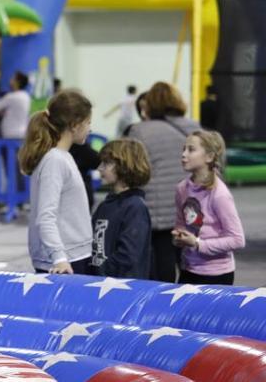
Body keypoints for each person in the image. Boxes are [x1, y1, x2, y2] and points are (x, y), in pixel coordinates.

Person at [127, 82, 200, 282]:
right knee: (192, 266)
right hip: (192, 210)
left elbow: (133, 171)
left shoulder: (140, 131)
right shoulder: (194, 127)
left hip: (158, 214)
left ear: (149, 104)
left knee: (162, 269)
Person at [19, 89, 93, 274]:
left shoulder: (62, 156)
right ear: (75, 125)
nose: (90, 128)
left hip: (72, 254)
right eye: (88, 122)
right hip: (65, 260)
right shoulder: (54, 161)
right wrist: (59, 258)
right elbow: (45, 216)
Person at [172, 130, 245, 285]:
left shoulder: (219, 194)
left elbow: (237, 240)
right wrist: (179, 237)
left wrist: (198, 243)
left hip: (216, 274)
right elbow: (181, 223)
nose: (184, 154)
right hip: (188, 269)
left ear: (209, 157)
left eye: (191, 150)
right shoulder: (181, 188)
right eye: (183, 149)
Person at [90, 139, 152, 279]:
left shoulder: (135, 207)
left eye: (107, 163)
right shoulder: (105, 205)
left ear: (125, 166)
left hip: (122, 288)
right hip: (100, 283)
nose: (100, 168)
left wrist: (102, 272)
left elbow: (128, 255)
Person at [0, 71, 31, 140]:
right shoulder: (26, 96)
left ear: (17, 82)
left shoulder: (11, 96)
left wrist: (2, 111)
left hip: (10, 133)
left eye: (12, 79)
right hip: (23, 132)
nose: (10, 80)